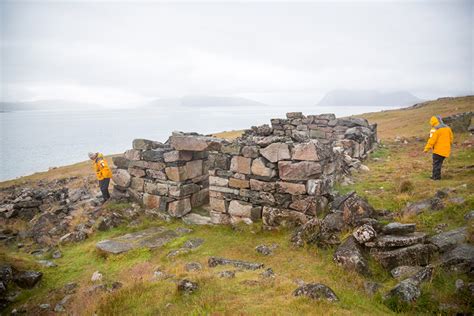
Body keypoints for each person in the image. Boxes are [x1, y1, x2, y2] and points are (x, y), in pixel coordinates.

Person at [423, 115, 453, 180]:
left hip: (438, 150)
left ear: (432, 122)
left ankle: (436, 178)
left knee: (436, 164)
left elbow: (431, 140)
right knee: (439, 164)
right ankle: (435, 176)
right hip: (446, 150)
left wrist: (426, 149)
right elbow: (451, 139)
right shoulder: (447, 128)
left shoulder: (435, 129)